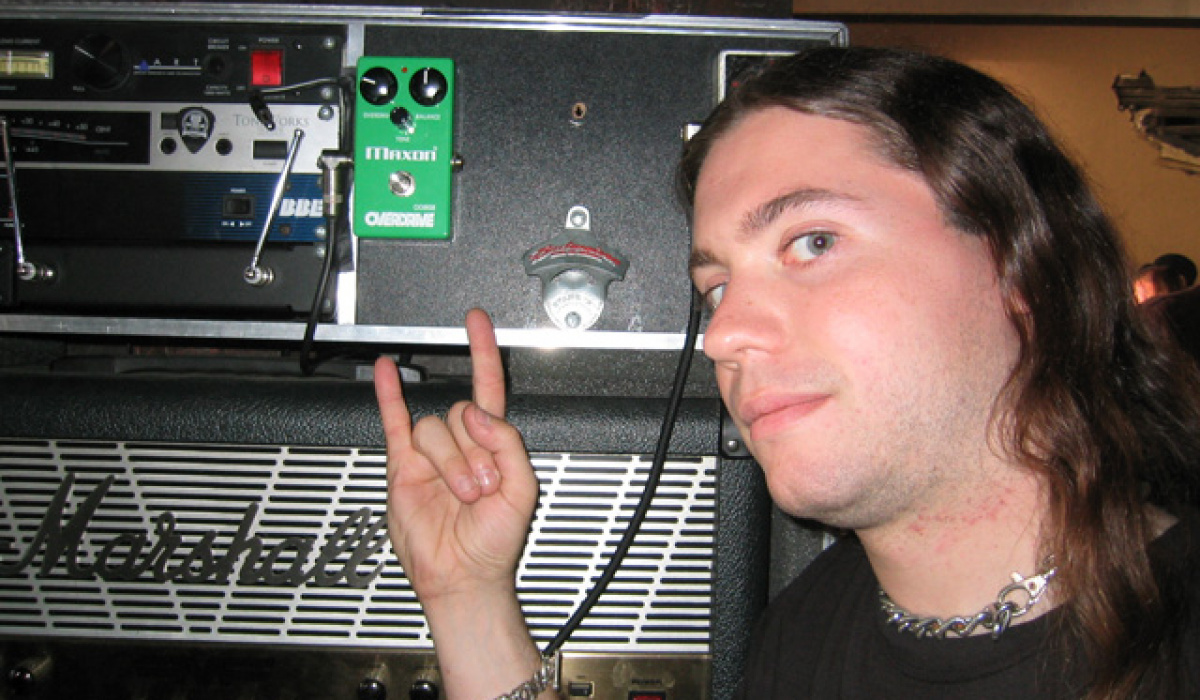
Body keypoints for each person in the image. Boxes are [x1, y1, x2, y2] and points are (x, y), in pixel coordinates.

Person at [374, 46, 1200, 699]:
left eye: (813, 242)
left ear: (1023, 267)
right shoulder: (801, 635)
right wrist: (469, 601)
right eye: (716, 288)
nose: (724, 335)